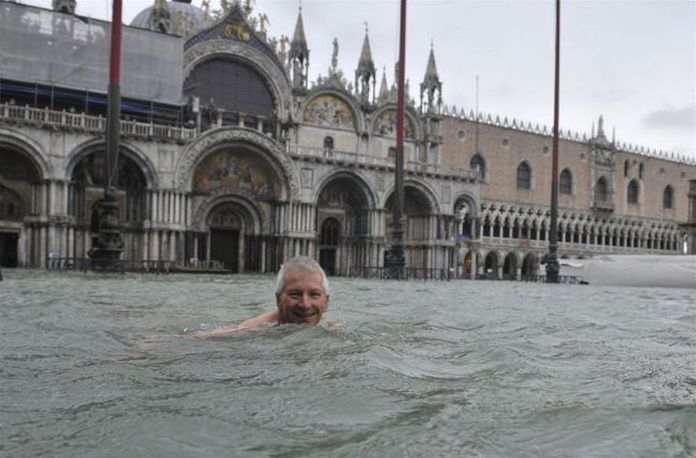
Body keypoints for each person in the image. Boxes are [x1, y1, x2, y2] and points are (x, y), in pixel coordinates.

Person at [198, 256, 330, 336]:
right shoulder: (251, 330)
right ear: (279, 300)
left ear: (326, 302)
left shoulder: (330, 325)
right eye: (295, 294)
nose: (305, 304)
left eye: (314, 294)